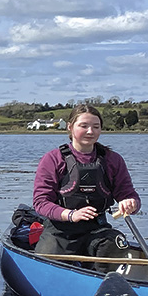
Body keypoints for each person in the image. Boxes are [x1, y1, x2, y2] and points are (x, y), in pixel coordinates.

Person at [32, 104, 140, 259]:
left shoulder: (113, 159)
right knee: (48, 258)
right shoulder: (53, 159)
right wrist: (71, 215)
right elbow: (41, 202)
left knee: (115, 245)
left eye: (96, 127)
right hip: (60, 231)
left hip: (98, 229)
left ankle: (105, 278)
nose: (90, 131)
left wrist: (131, 203)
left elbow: (128, 194)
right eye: (84, 126)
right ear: (70, 127)